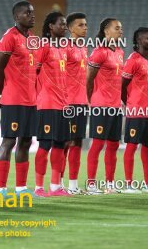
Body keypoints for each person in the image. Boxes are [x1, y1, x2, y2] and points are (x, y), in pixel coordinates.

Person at [0, 1, 37, 198]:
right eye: (27, 13)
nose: (32, 15)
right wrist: (3, 93)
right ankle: (1, 189)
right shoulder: (9, 37)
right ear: (17, 17)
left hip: (31, 100)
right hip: (13, 99)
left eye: (32, 12)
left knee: (26, 141)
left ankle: (20, 188)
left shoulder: (33, 39)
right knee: (9, 142)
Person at [34, 12, 71, 197]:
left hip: (63, 104)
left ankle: (55, 186)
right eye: (61, 24)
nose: (65, 27)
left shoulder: (64, 49)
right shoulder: (44, 46)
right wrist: (36, 97)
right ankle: (39, 187)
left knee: (60, 144)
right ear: (51, 26)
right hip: (47, 103)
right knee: (45, 144)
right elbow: (33, 71)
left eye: (65, 24)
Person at [86, 18, 124, 194]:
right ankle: (91, 184)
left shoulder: (119, 52)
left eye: (121, 28)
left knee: (114, 145)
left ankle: (109, 184)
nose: (120, 31)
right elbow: (88, 79)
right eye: (117, 28)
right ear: (106, 31)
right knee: (98, 144)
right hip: (101, 105)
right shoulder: (98, 53)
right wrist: (89, 101)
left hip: (116, 106)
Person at [121, 27, 148, 193]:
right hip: (136, 110)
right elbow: (122, 85)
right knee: (131, 146)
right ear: (139, 41)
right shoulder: (133, 60)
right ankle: (129, 184)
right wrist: (128, 103)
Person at [63, 12, 88, 194]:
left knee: (78, 142)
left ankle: (73, 184)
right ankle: (59, 182)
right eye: (80, 25)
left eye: (85, 24)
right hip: (68, 102)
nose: (85, 27)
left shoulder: (84, 48)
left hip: (81, 102)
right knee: (66, 142)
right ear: (70, 28)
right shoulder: (65, 47)